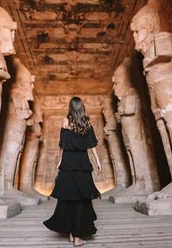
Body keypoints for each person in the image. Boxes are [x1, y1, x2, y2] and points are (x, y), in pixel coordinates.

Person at [43, 96, 101, 247]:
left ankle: (71, 234)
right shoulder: (87, 122)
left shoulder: (65, 121)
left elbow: (62, 144)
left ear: (70, 107)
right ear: (81, 107)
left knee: (68, 197)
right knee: (82, 198)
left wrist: (61, 160)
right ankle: (78, 237)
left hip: (68, 163)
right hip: (82, 163)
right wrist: (97, 160)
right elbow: (92, 144)